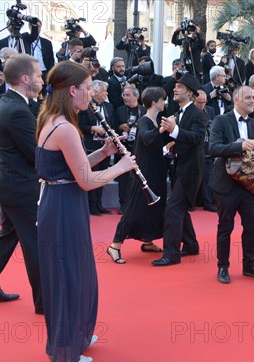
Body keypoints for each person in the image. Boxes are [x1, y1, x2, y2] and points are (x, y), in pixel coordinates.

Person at [35, 61, 136, 362]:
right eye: (89, 87)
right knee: (68, 276)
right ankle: (66, 348)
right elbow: (86, 180)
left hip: (63, 201)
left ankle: (76, 335)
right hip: (64, 206)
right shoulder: (64, 128)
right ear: (73, 90)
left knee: (77, 273)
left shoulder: (54, 120)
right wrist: (119, 167)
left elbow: (73, 167)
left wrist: (104, 154)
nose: (92, 93)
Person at [0, 54, 44, 313]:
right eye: (37, 75)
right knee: (36, 244)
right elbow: (36, 154)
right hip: (21, 189)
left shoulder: (8, 102)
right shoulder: (16, 110)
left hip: (9, 186)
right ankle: (45, 302)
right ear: (25, 79)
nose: (41, 79)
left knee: (6, 237)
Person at [208, 85, 254, 284]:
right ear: (236, 99)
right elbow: (213, 148)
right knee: (225, 227)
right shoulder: (221, 120)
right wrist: (238, 146)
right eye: (248, 97)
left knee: (250, 227)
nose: (253, 101)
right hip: (226, 184)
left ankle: (249, 265)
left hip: (250, 186)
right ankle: (223, 267)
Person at [107, 87, 170, 264]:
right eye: (163, 99)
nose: (165, 103)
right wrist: (161, 130)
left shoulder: (156, 121)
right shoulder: (145, 121)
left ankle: (147, 240)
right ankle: (115, 245)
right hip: (144, 171)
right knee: (134, 207)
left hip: (156, 170)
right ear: (154, 102)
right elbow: (146, 138)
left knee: (154, 207)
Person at [152, 74, 207, 266]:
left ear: (190, 93)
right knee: (180, 209)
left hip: (191, 169)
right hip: (179, 166)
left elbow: (197, 138)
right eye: (175, 87)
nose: (175, 90)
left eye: (180, 87)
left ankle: (171, 254)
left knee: (173, 209)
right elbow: (180, 140)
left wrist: (174, 130)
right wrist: (170, 144)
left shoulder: (198, 114)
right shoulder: (177, 112)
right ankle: (191, 244)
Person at [78, 80, 114, 216]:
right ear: (96, 92)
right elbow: (78, 125)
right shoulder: (85, 106)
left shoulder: (109, 107)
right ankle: (91, 205)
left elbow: (112, 123)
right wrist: (92, 128)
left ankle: (99, 204)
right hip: (91, 145)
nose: (106, 94)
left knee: (102, 176)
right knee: (92, 175)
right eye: (104, 91)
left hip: (105, 144)